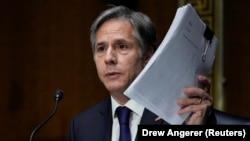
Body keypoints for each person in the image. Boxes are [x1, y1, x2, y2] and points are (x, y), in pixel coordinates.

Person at [67, 5, 216, 141]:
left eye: (121, 46)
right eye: (101, 49)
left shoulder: (182, 115)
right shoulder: (81, 126)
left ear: (147, 57)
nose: (108, 58)